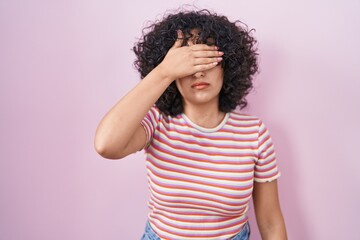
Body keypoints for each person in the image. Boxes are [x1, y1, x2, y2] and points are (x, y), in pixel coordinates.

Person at [94, 8, 287, 240]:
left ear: (227, 66)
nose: (198, 73)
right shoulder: (156, 122)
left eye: (207, 59)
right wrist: (163, 72)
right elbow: (106, 144)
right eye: (188, 62)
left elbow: (270, 222)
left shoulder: (254, 133)